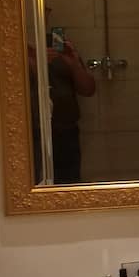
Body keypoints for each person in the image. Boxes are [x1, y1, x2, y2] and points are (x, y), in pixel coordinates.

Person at [28, 33, 96, 184]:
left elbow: (88, 89)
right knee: (33, 184)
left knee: (69, 185)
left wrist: (74, 64)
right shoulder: (17, 49)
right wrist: (36, 62)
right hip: (31, 134)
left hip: (66, 132)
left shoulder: (59, 43)